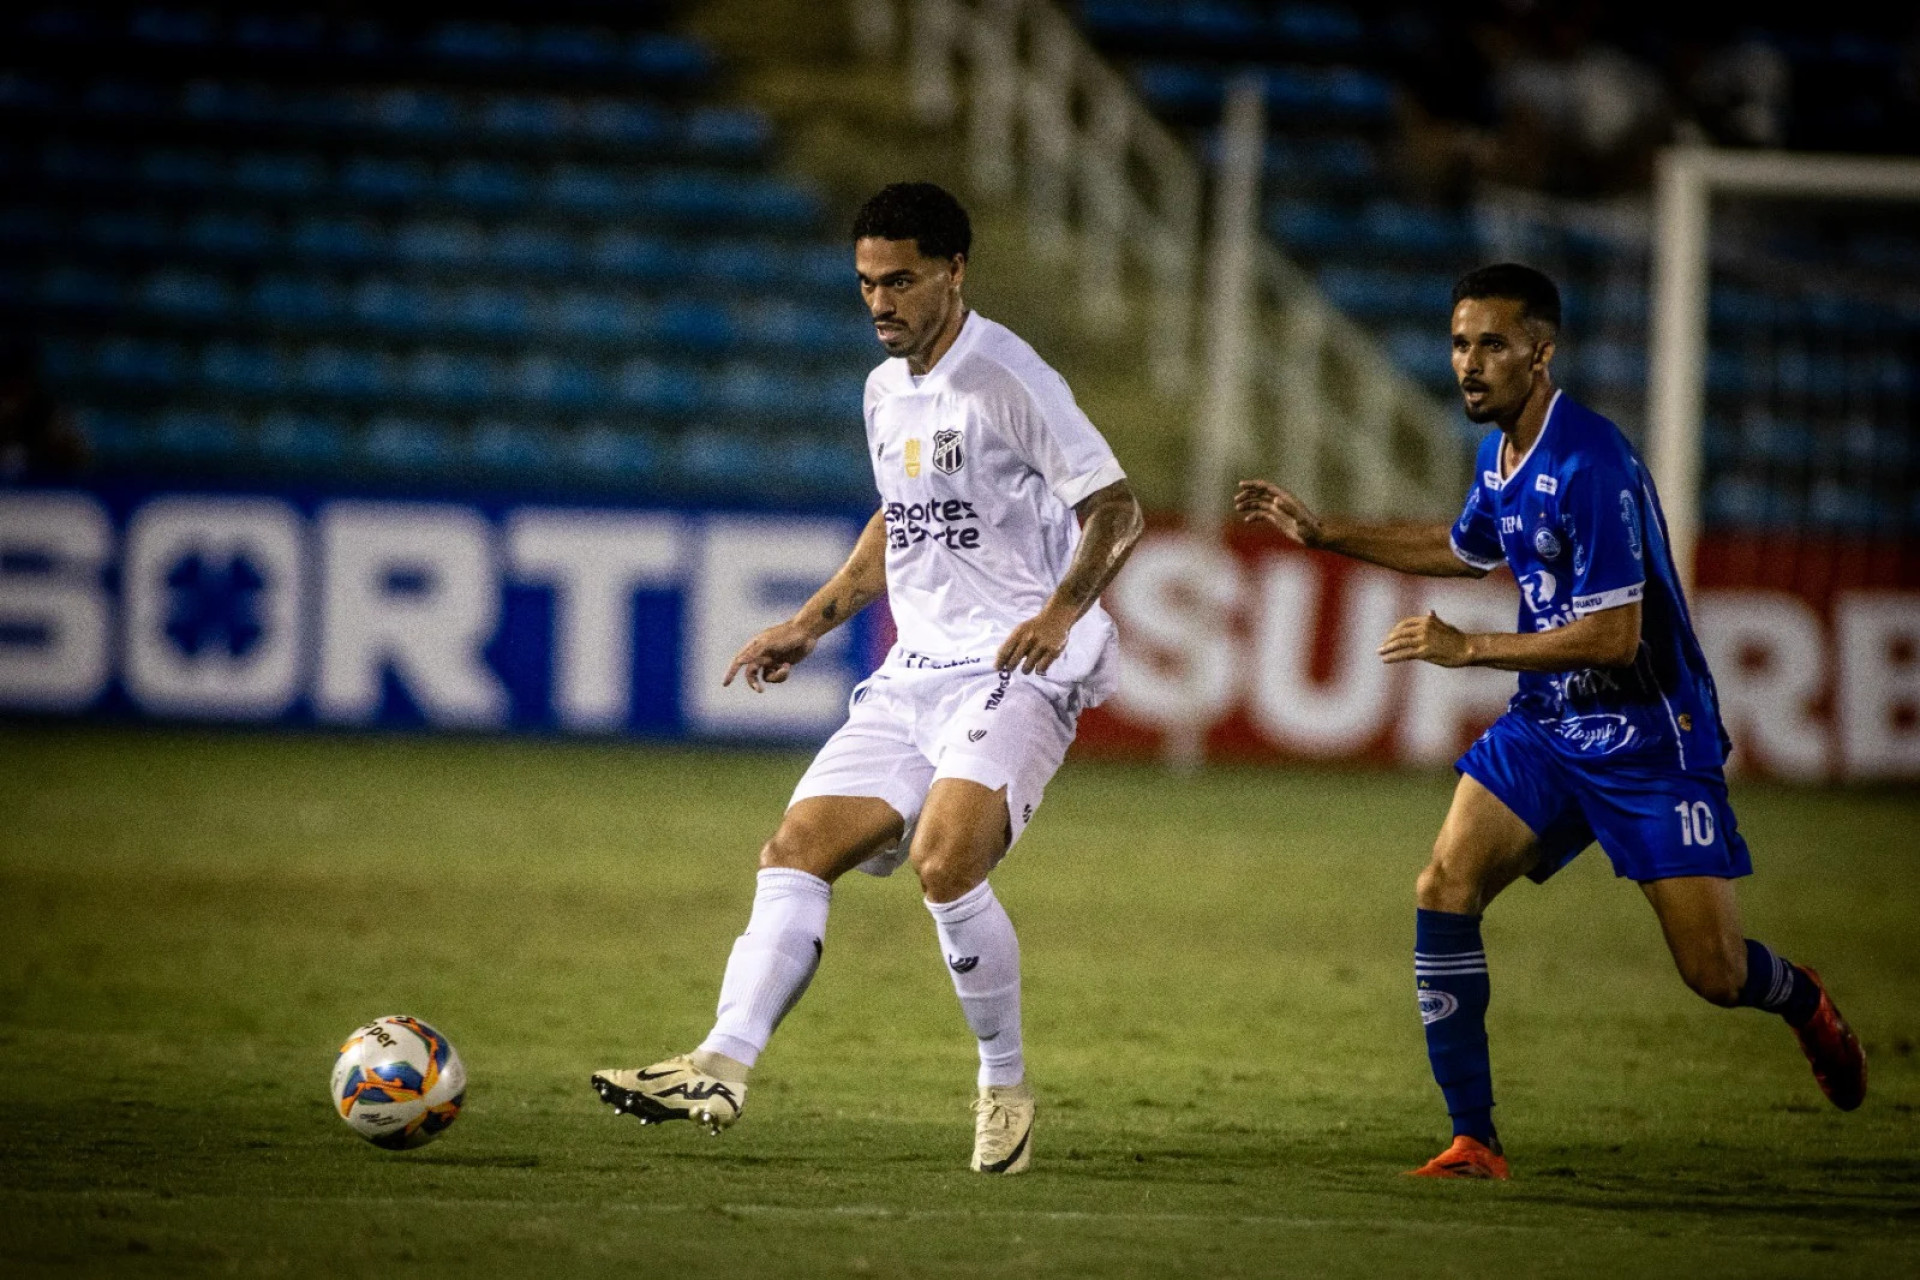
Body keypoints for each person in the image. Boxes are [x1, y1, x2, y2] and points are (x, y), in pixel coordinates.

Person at [1234, 263, 1865, 1181]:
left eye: (1491, 344)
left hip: (1651, 738)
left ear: (1541, 351)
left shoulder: (1589, 461)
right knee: (1444, 885)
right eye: (1459, 343)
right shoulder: (1501, 455)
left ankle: (1802, 999)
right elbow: (1462, 547)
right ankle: (1474, 1141)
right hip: (1550, 726)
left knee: (1715, 973)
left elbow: (1615, 638)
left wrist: (1472, 651)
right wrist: (1327, 532)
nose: (1469, 364)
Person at [592, 182, 1143, 1175]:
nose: (880, 301)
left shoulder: (1009, 376)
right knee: (795, 847)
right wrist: (809, 622)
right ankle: (721, 1060)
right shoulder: (884, 391)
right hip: (915, 672)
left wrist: (1060, 610)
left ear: (955, 272)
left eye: (901, 280)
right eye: (865, 283)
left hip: (1016, 666)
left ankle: (1003, 1087)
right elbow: (901, 517)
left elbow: (1116, 507)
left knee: (945, 861)